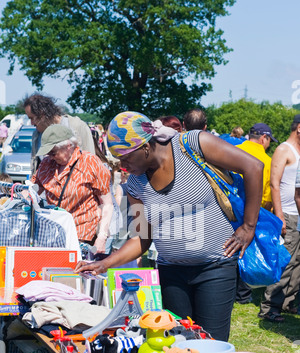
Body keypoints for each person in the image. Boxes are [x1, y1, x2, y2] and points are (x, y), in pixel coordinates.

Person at [75, 111, 263, 341]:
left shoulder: (194, 144)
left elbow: (253, 167)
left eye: (125, 158)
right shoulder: (135, 184)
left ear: (144, 146)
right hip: (171, 274)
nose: (122, 167)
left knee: (211, 344)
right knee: (177, 344)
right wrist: (104, 264)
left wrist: (248, 226)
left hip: (214, 268)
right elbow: (141, 237)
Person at [31, 124, 112, 253]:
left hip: (81, 237)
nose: (50, 156)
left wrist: (102, 237)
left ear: (68, 146)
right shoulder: (46, 164)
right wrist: (25, 192)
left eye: (53, 152)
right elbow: (33, 189)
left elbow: (107, 204)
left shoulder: (90, 162)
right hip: (51, 235)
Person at [259, 114, 300, 322]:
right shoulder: (284, 149)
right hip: (288, 214)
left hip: (298, 214)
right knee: (285, 262)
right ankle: (269, 307)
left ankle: (287, 302)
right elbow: (274, 184)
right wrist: (279, 215)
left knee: (297, 263)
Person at [234, 123, 277, 304]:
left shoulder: (231, 149)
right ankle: (242, 294)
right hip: (251, 212)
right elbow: (266, 198)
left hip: (227, 208)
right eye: (269, 141)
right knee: (245, 248)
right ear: (263, 138)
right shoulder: (266, 161)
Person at [23, 93, 95, 173]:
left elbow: (91, 163)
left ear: (42, 114)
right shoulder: (36, 136)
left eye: (32, 118)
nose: (31, 123)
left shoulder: (76, 127)